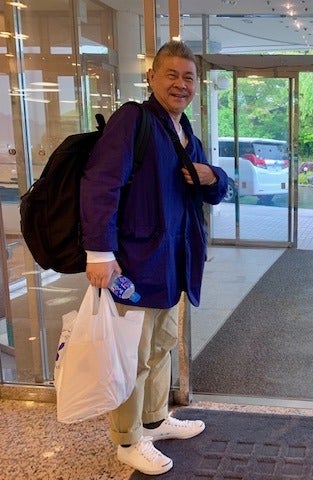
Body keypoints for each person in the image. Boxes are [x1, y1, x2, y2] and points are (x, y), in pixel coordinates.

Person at [79, 40, 228, 476]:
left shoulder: (185, 133)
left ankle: (155, 418)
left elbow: (211, 189)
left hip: (171, 262)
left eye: (188, 78)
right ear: (152, 78)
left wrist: (213, 176)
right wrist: (99, 252)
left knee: (161, 347)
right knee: (133, 355)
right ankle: (128, 440)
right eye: (172, 75)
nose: (181, 85)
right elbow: (101, 183)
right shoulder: (133, 120)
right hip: (136, 263)